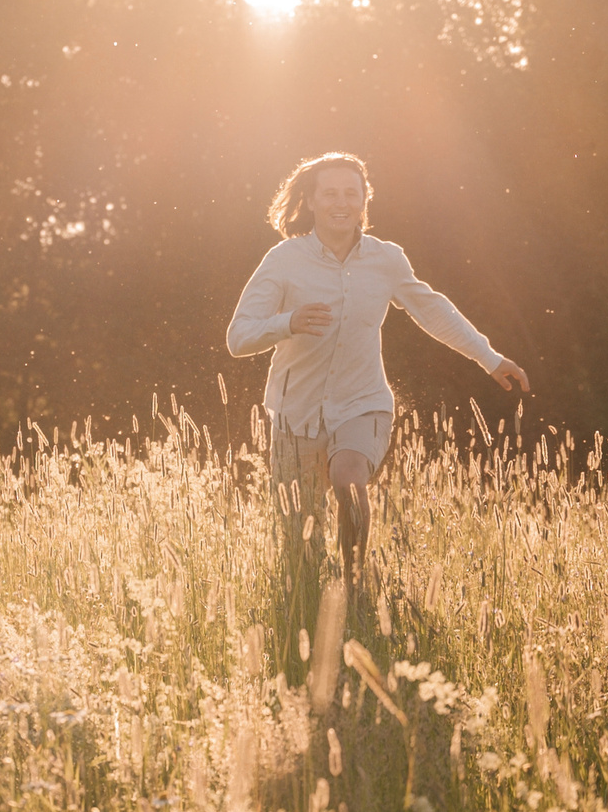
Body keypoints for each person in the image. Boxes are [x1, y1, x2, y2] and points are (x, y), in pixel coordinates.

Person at [226, 152, 529, 585]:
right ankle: (311, 598)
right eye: (330, 193)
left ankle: (353, 585)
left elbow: (431, 309)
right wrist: (287, 322)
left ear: (365, 200)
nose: (341, 202)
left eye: (352, 193)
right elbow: (238, 338)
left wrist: (490, 358)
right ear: (310, 201)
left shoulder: (386, 260)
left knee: (349, 479)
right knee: (299, 548)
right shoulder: (283, 260)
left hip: (362, 403)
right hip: (295, 414)